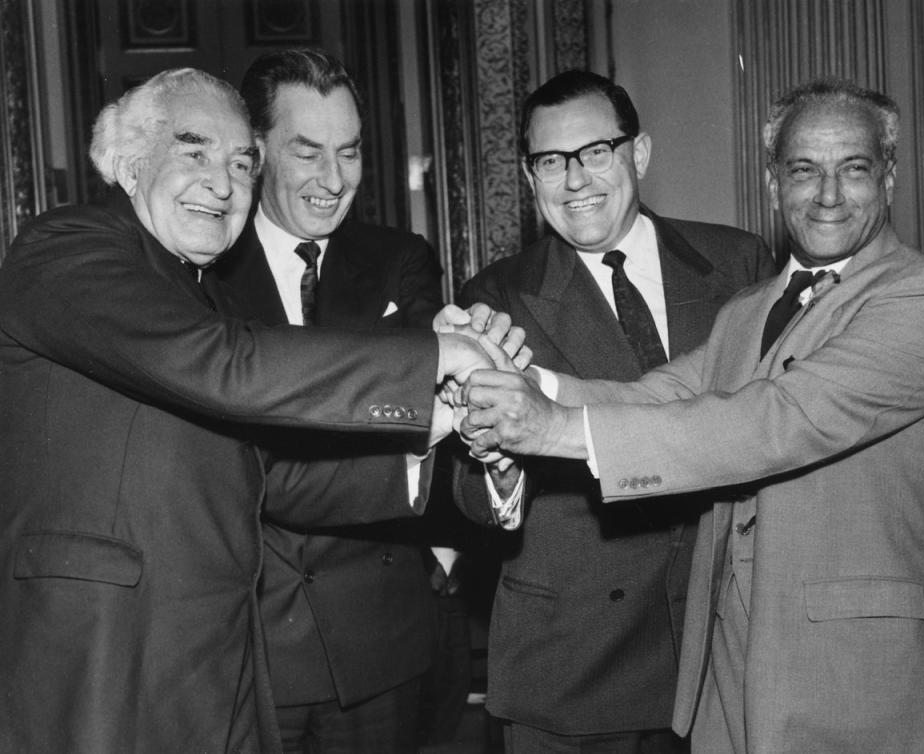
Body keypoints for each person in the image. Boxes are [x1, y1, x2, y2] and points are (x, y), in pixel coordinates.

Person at [0, 67, 494, 753]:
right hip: (105, 659)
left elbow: (279, 476)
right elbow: (224, 364)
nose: (225, 183)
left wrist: (444, 418)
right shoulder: (68, 249)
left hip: (223, 669)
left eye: (241, 163)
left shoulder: (204, 299)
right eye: (195, 150)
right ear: (131, 161)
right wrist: (435, 357)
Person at [461, 78, 924, 753]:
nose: (828, 194)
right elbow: (657, 394)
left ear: (891, 178)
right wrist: (520, 381)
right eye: (804, 170)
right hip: (729, 679)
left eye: (855, 169)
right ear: (774, 182)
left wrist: (551, 427)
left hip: (859, 680)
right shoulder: (751, 307)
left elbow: (774, 419)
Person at [453, 70, 773, 753]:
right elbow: (470, 497)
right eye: (551, 161)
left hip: (723, 654)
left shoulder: (740, 263)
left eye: (596, 152)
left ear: (640, 154)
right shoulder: (496, 300)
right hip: (572, 670)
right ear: (529, 176)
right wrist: (497, 456)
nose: (575, 180)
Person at [213, 48, 448, 753]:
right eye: (307, 152)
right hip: (247, 640)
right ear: (254, 153)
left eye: (349, 153)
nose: (334, 180)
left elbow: (432, 417)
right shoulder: (202, 269)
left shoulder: (399, 259)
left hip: (377, 642)